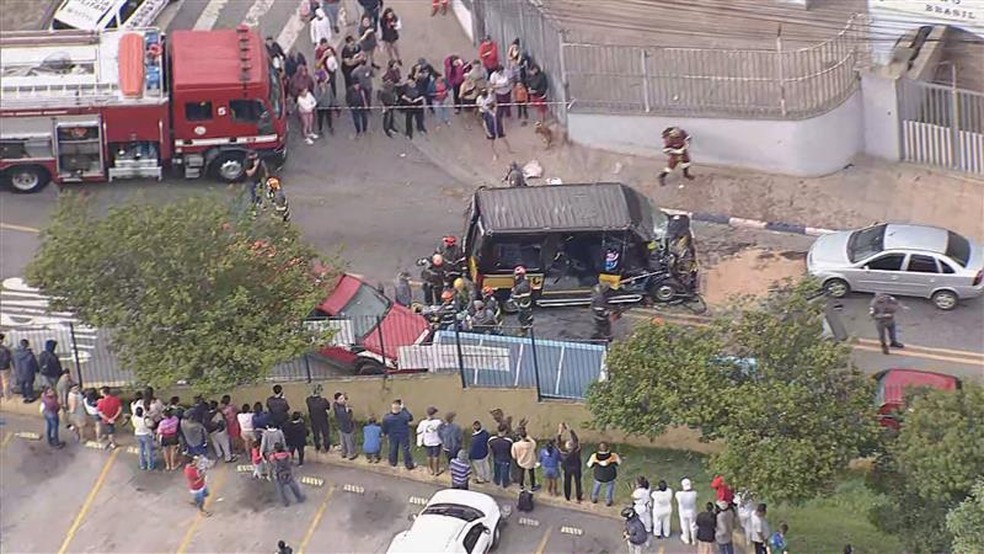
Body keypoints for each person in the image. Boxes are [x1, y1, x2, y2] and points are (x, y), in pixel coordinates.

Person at [476, 88, 511, 161]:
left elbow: (502, 120)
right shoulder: (487, 114)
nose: (495, 109)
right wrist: (487, 132)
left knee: (504, 139)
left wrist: (503, 129)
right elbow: (484, 124)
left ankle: (509, 150)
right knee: (491, 143)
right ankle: (495, 154)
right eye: (494, 108)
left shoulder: (498, 114)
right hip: (491, 130)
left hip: (498, 129)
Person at [381, 400, 415, 469]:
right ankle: (408, 465)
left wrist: (385, 433)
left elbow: (384, 427)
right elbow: (411, 418)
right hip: (403, 435)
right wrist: (404, 409)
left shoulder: (387, 417)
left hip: (392, 435)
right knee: (405, 450)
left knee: (392, 448)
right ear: (399, 407)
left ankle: (393, 463)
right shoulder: (403, 415)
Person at [270, 442, 307, 506]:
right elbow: (290, 461)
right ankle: (299, 498)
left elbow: (272, 463)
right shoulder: (288, 454)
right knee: (293, 485)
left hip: (278, 474)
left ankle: (285, 502)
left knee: (280, 489)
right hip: (288, 472)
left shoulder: (273, 456)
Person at [557, 423, 583, 502]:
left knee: (567, 482)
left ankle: (567, 497)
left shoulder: (563, 451)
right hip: (576, 467)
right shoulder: (576, 450)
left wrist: (560, 432)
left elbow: (558, 443)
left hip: (567, 469)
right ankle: (578, 497)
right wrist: (570, 429)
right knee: (578, 482)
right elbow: (576, 440)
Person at [417, 406, 444, 475]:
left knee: (429, 455)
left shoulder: (423, 422)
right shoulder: (438, 422)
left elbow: (418, 431)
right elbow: (442, 430)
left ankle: (430, 469)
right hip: (437, 441)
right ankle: (436, 471)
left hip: (427, 442)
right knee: (436, 456)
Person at [306, 385, 331, 453]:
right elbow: (328, 408)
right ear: (319, 392)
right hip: (323, 419)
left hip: (313, 419)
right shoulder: (323, 401)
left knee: (316, 433)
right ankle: (326, 447)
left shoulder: (308, 400)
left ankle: (317, 446)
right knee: (325, 433)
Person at [487, 423, 513, 488]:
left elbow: (489, 448)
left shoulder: (492, 439)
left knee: (496, 469)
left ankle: (497, 481)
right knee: (505, 471)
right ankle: (505, 483)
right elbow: (511, 448)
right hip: (506, 457)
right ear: (505, 431)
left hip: (496, 457)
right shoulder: (509, 441)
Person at [333, 392, 357, 459]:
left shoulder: (335, 405)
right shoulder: (342, 410)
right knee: (349, 442)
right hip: (348, 427)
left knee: (343, 441)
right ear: (337, 400)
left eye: (343, 398)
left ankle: (343, 453)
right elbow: (348, 418)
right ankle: (351, 454)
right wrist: (348, 411)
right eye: (341, 399)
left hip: (340, 427)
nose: (343, 400)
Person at [510, 266, 533, 331]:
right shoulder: (524, 280)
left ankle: (524, 329)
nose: (515, 276)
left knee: (521, 317)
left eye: (517, 274)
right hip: (525, 302)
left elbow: (518, 296)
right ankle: (529, 319)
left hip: (523, 303)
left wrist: (513, 295)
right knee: (527, 312)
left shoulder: (522, 286)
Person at [677, 478, 699, 545]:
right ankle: (694, 540)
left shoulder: (679, 494)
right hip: (692, 511)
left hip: (683, 511)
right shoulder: (694, 493)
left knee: (684, 525)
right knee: (693, 525)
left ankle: (686, 539)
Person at [0, 333, 13, 401]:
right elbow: (7, 358)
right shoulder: (4, 349)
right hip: (4, 368)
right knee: (6, 382)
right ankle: (7, 396)